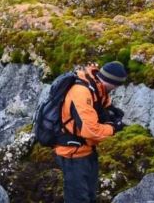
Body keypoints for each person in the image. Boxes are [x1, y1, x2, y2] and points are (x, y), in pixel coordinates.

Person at [54, 61, 127, 203]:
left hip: (87, 150)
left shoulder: (97, 88)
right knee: (78, 199)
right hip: (72, 153)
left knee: (90, 196)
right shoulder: (81, 92)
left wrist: (112, 113)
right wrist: (113, 128)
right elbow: (90, 131)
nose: (117, 89)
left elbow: (102, 109)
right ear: (112, 82)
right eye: (117, 85)